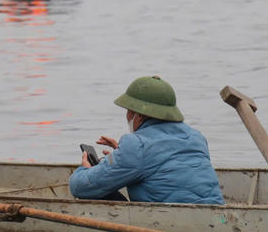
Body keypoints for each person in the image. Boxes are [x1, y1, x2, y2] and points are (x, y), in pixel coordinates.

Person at [69, 75, 224, 204]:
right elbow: (165, 164)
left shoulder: (135, 145)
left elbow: (80, 187)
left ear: (139, 115)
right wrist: (120, 153)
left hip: (167, 225)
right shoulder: (196, 137)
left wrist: (85, 169)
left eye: (129, 111)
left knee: (95, 191)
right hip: (218, 218)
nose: (127, 116)